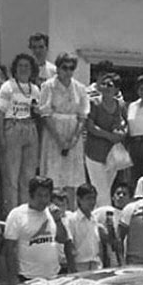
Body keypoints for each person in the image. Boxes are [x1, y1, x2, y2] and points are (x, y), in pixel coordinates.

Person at [39, 53, 91, 210]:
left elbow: (83, 115)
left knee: (72, 178)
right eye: (64, 68)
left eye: (71, 68)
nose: (67, 71)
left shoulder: (80, 88)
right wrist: (59, 139)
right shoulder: (48, 86)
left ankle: (71, 211)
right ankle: (51, 209)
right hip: (54, 131)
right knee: (53, 175)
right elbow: (45, 113)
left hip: (73, 132)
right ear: (58, 68)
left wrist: (74, 139)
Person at [0, 53, 41, 211]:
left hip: (30, 128)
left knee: (28, 176)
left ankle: (24, 212)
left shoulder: (34, 89)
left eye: (27, 66)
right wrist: (1, 138)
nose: (24, 69)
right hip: (12, 126)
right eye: (20, 66)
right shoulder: (8, 86)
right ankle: (11, 214)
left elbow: (38, 112)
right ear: (15, 68)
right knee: (11, 176)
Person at [84, 73, 128, 209]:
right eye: (103, 84)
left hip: (113, 156)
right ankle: (107, 220)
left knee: (106, 189)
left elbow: (126, 123)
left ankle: (96, 217)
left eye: (109, 85)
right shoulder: (94, 103)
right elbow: (90, 126)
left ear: (116, 89)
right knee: (101, 191)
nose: (105, 87)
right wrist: (109, 136)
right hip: (95, 154)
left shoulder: (120, 105)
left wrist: (122, 133)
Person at [63, 184, 104, 272]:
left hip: (95, 265)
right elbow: (69, 247)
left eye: (94, 198)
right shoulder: (72, 220)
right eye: (88, 198)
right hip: (80, 266)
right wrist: (73, 270)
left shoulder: (94, 218)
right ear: (79, 199)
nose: (92, 202)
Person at [93, 181, 130, 267]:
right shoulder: (104, 211)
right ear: (113, 197)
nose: (121, 196)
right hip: (109, 256)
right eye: (118, 193)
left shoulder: (130, 213)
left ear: (129, 198)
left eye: (124, 194)